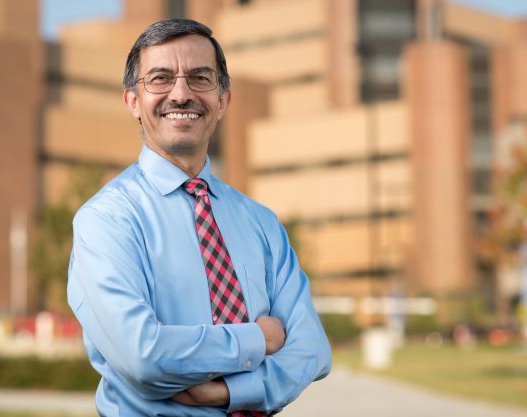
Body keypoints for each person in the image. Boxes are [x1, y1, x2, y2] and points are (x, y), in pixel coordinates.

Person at [67, 18, 331, 417]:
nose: (181, 93)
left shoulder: (260, 222)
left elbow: (311, 349)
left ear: (222, 100)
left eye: (199, 78)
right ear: (132, 101)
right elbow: (143, 355)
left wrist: (226, 392)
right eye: (159, 78)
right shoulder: (105, 222)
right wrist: (255, 340)